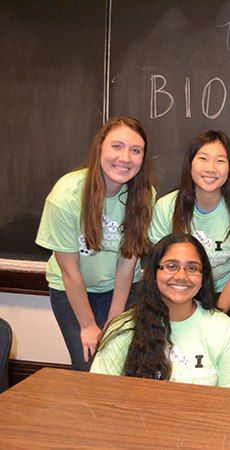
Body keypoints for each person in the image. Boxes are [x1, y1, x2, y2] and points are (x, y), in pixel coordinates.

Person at [36, 117, 155, 371]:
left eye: (136, 150)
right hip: (72, 288)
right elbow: (69, 270)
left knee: (122, 364)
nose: (125, 158)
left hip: (121, 287)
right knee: (88, 366)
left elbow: (127, 261)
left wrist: (115, 321)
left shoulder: (144, 195)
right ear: (100, 147)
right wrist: (88, 325)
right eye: (117, 146)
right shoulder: (66, 195)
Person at [91, 233, 230, 388]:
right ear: (154, 273)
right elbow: (100, 393)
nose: (181, 276)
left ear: (203, 277)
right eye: (171, 266)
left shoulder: (222, 327)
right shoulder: (123, 329)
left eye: (192, 268)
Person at [149, 130, 230, 317]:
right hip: (175, 290)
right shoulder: (166, 208)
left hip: (220, 294)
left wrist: (214, 318)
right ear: (190, 164)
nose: (211, 168)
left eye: (220, 161)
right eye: (203, 158)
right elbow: (158, 270)